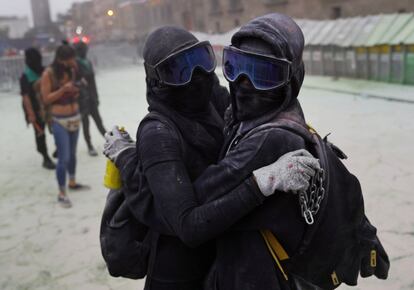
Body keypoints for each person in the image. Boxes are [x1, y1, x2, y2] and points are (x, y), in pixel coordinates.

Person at [103, 26, 321, 290]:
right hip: (179, 270)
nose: (195, 76)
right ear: (157, 81)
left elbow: (259, 116)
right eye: (178, 70)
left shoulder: (213, 99)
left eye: (200, 60)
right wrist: (264, 181)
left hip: (224, 258)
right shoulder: (158, 133)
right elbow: (188, 226)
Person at [41, 43, 89, 208]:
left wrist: (75, 89)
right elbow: (46, 98)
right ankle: (62, 193)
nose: (73, 61)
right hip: (59, 120)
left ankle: (73, 182)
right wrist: (62, 90)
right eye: (70, 59)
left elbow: (78, 88)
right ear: (62, 59)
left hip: (74, 116)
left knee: (73, 154)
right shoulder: (48, 73)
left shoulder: (72, 70)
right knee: (64, 157)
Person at [20, 48, 55, 170]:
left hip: (48, 107)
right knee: (40, 133)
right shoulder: (25, 76)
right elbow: (25, 97)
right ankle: (45, 157)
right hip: (34, 109)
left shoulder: (44, 71)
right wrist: (31, 114)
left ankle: (59, 148)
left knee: (56, 128)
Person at [74, 41, 107, 156]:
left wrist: (96, 96)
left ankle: (109, 139)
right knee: (86, 123)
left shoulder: (87, 62)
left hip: (91, 96)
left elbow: (92, 82)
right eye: (82, 50)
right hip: (82, 99)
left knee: (98, 120)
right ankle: (89, 145)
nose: (84, 51)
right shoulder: (75, 64)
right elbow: (73, 82)